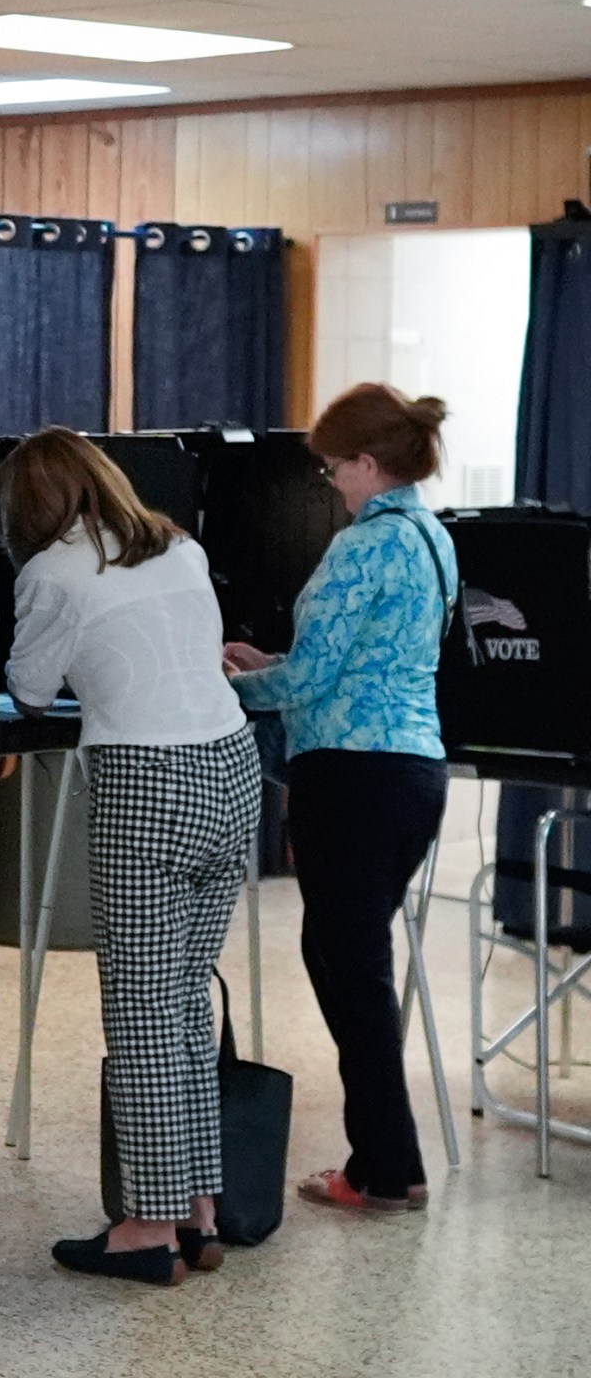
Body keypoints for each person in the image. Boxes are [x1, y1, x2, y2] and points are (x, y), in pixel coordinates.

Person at [0, 429, 260, 1285]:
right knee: (187, 1001)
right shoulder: (179, 546)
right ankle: (199, 1207)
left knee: (142, 1014)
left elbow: (31, 690)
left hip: (149, 780)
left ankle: (146, 1228)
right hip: (234, 767)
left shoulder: (52, 572)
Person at [225, 384, 456, 1216]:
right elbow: (360, 661)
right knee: (347, 964)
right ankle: (389, 1158)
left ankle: (386, 1170)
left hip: (353, 776)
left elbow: (315, 678)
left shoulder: (364, 548)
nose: (332, 484)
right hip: (411, 770)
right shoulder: (431, 538)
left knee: (350, 972)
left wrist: (239, 680)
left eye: (333, 470)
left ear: (366, 462)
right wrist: (272, 663)